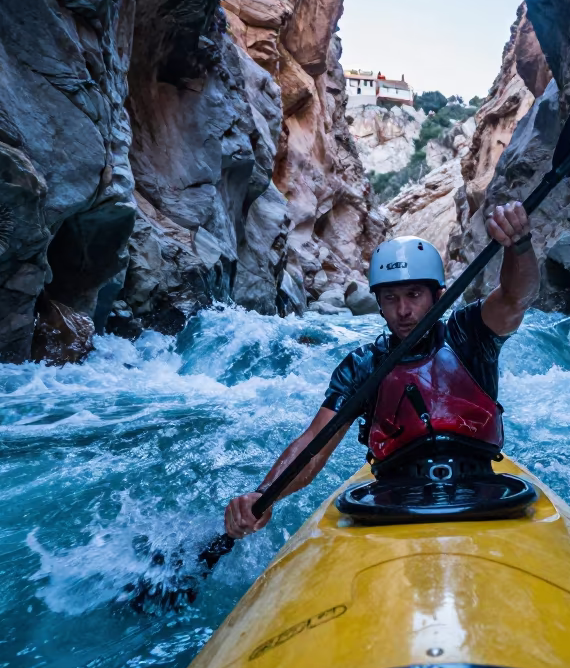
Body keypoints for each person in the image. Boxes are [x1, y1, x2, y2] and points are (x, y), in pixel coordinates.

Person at [224, 201, 539, 538]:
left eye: (414, 294)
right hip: (394, 495)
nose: (403, 310)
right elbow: (314, 443)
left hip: (481, 485)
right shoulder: (363, 367)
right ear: (378, 303)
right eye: (390, 298)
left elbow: (514, 298)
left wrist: (518, 244)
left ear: (438, 296)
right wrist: (265, 492)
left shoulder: (469, 335)